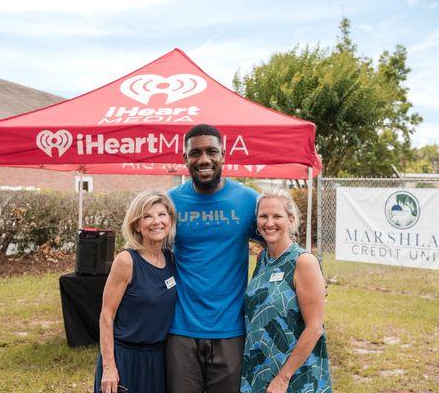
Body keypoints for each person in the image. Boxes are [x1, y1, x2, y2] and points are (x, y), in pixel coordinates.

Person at [166, 124, 260, 393]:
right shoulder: (170, 203)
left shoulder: (248, 200)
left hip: (231, 329)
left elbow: (278, 243)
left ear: (224, 155)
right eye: (195, 153)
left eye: (211, 151)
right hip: (180, 327)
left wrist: (307, 272)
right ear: (185, 159)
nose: (204, 159)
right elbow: (147, 251)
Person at [241, 189, 332, 393]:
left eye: (277, 216)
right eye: (263, 216)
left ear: (291, 220)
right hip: (259, 369)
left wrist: (284, 377)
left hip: (293, 377)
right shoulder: (262, 259)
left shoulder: (303, 262)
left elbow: (315, 328)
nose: (269, 222)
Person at [94, 191, 177, 393]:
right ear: (137, 226)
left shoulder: (171, 259)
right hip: (126, 358)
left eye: (161, 214)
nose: (156, 221)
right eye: (147, 216)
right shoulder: (127, 260)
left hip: (157, 359)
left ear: (170, 220)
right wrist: (109, 367)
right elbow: (106, 315)